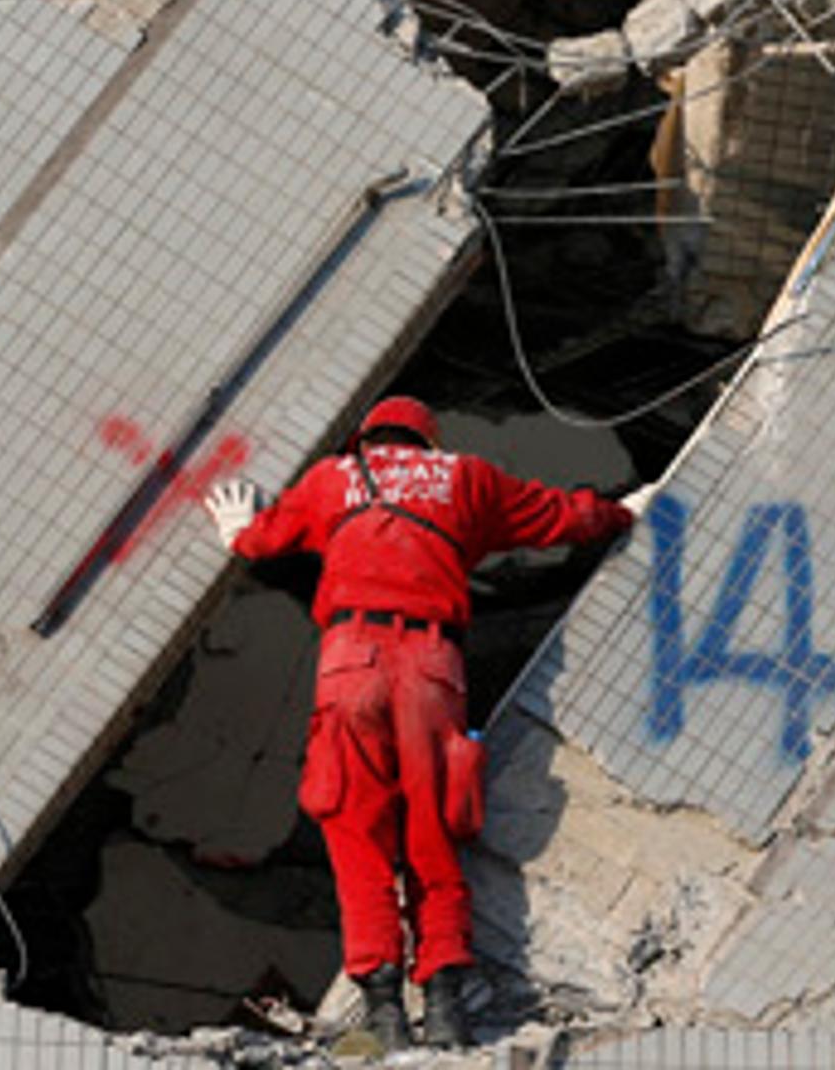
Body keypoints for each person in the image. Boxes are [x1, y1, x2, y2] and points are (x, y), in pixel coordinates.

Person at [203, 395, 641, 1049]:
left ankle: (384, 1013)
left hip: (352, 661)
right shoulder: (465, 479)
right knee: (433, 837)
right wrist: (622, 510)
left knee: (356, 829)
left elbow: (266, 539)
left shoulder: (333, 479)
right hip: (433, 670)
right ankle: (444, 1008)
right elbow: (558, 517)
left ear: (365, 442)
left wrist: (240, 529)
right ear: (426, 444)